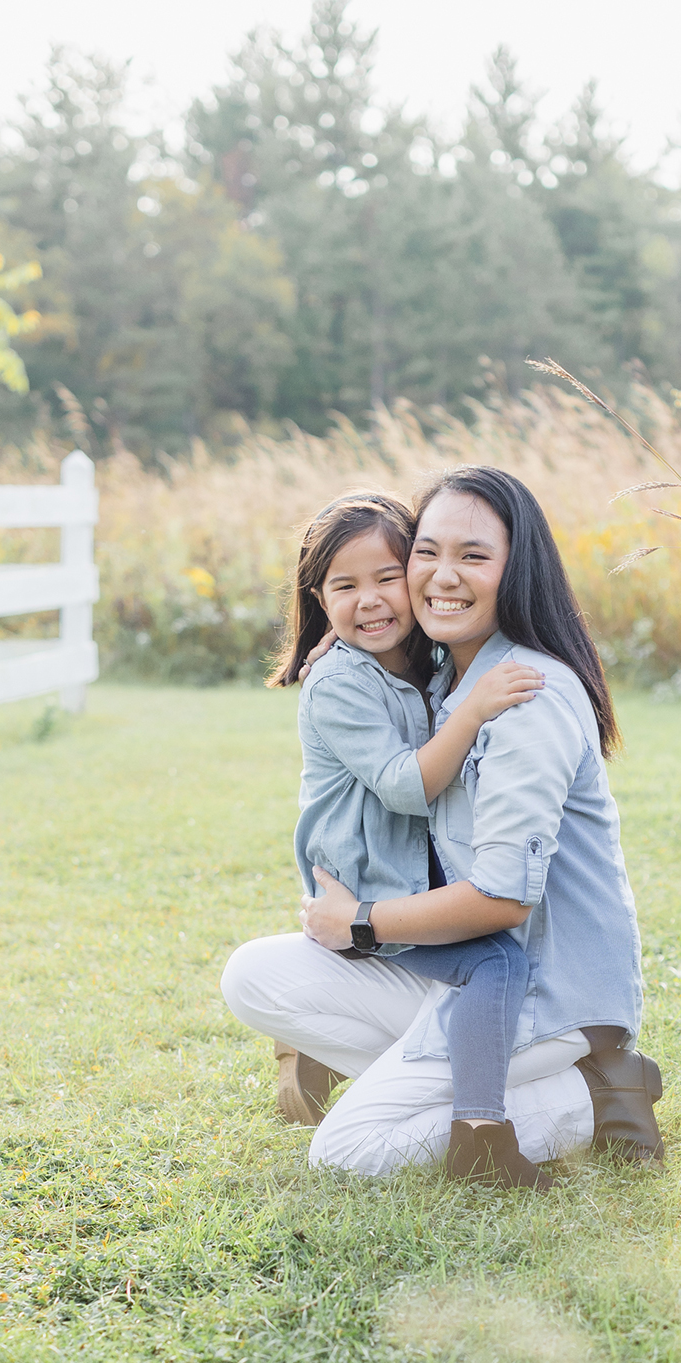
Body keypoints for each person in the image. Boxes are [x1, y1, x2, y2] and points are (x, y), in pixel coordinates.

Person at [223, 466, 663, 1176]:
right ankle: (468, 1086)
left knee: (347, 1152)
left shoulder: (522, 696)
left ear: (517, 570)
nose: (442, 576)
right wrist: (349, 632)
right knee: (249, 974)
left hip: (542, 990)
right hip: (466, 969)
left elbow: (504, 898)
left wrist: (360, 921)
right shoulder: (440, 673)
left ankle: (589, 1091)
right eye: (427, 553)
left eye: (473, 556)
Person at [265, 490, 556, 1186]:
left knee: (484, 965)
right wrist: (479, 704)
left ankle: (323, 1052)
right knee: (496, 966)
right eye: (345, 586)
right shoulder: (337, 683)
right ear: (318, 599)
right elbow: (403, 785)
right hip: (371, 887)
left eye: (385, 577)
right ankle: (481, 1134)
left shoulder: (422, 662)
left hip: (406, 872)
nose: (369, 600)